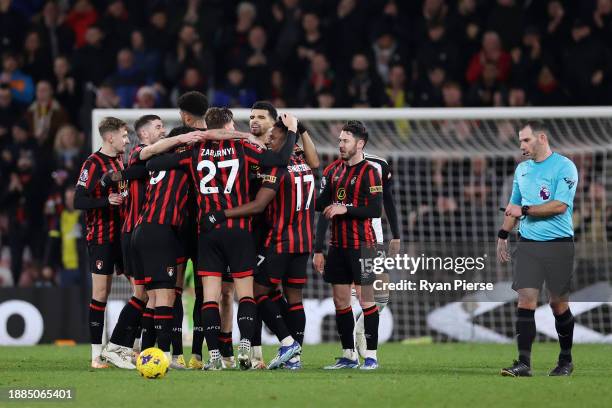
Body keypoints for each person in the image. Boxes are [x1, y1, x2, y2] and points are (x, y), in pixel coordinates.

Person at [146, 110, 296, 370]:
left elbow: (152, 165)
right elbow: (281, 159)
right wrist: (292, 131)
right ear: (228, 125)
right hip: (238, 229)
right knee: (245, 294)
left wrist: (182, 142)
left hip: (208, 232)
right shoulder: (243, 148)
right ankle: (246, 344)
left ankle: (213, 354)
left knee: (210, 298)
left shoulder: (194, 152)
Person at [202, 117, 314, 370]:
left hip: (280, 240)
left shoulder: (278, 167)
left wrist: (221, 214)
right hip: (304, 241)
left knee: (257, 292)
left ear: (286, 141)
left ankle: (288, 343)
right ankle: (294, 359)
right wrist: (299, 130)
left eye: (273, 138)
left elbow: (259, 205)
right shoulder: (304, 163)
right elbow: (315, 160)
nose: (268, 142)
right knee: (294, 299)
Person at [497, 120, 578, 377]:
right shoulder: (522, 170)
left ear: (541, 138)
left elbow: (559, 206)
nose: (522, 145)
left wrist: (525, 211)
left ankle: (565, 360)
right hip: (528, 243)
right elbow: (514, 205)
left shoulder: (565, 166)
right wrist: (503, 233)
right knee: (525, 299)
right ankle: (523, 364)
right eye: (520, 141)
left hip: (558, 244)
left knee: (558, 304)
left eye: (526, 140)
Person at [314, 121, 383, 370]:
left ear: (360, 143)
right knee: (340, 301)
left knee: (366, 301)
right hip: (338, 247)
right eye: (340, 140)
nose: (340, 144)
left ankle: (372, 356)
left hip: (362, 246)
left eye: (345, 141)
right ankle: (349, 356)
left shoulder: (371, 172)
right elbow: (321, 206)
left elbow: (375, 209)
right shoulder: (332, 170)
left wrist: (346, 208)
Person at [74, 117, 129, 369]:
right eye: (124, 135)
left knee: (141, 288)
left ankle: (125, 346)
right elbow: (78, 200)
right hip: (101, 237)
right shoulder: (92, 163)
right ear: (110, 137)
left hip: (125, 235)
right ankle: (97, 355)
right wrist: (105, 201)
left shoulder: (119, 161)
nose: (127, 140)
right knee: (100, 294)